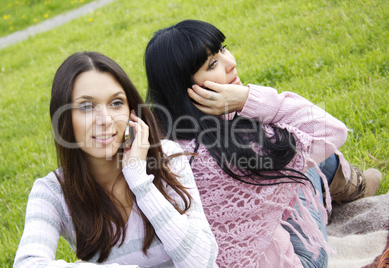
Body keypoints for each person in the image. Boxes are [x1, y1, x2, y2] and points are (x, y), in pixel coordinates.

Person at [144, 20, 382, 267]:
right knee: (295, 149)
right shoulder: (241, 147)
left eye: (223, 49)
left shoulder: (161, 146)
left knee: (292, 148)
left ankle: (351, 185)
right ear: (186, 89)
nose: (230, 62)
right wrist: (246, 99)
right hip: (299, 262)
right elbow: (331, 131)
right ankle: (355, 186)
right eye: (213, 64)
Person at [13, 51, 218, 268]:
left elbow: (202, 261)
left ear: (131, 111)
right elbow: (27, 264)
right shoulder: (53, 191)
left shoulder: (165, 156)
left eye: (116, 103)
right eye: (86, 106)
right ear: (64, 118)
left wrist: (140, 181)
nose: (105, 120)